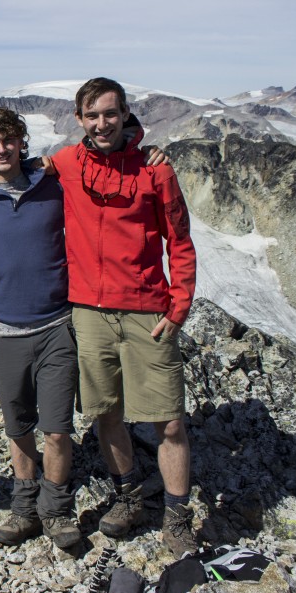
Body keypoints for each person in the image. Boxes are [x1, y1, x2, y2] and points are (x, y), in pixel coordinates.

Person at [47, 78, 198, 557]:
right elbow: (12, 169)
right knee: (105, 412)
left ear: (126, 113)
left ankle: (177, 516)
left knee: (169, 421)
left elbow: (180, 240)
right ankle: (128, 493)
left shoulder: (155, 169)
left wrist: (179, 305)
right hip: (89, 311)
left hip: (146, 309)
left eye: (110, 114)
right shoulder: (67, 163)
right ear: (79, 120)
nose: (102, 124)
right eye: (92, 116)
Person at [0, 106, 81, 549]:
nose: (1, 149)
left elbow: (93, 158)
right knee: (18, 428)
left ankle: (56, 508)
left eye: (7, 140)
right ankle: (25, 507)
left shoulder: (52, 184)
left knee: (59, 427)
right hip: (5, 331)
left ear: (21, 142)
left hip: (57, 326)